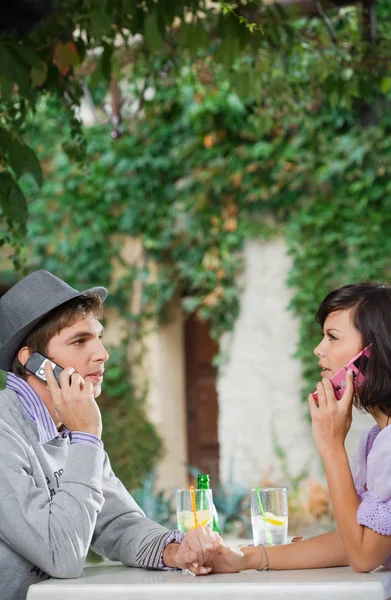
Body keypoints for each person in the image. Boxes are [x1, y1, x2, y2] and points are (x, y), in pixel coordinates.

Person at [0, 269, 241, 600]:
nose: (102, 354)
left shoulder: (69, 426)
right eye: (80, 340)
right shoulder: (7, 433)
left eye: (98, 337)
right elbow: (61, 555)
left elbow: (118, 524)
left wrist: (175, 550)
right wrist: (87, 435)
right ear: (33, 362)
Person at [207, 282, 391, 574]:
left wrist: (331, 446)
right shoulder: (377, 438)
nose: (319, 349)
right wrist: (249, 558)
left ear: (372, 352)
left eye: (332, 337)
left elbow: (364, 557)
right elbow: (359, 540)